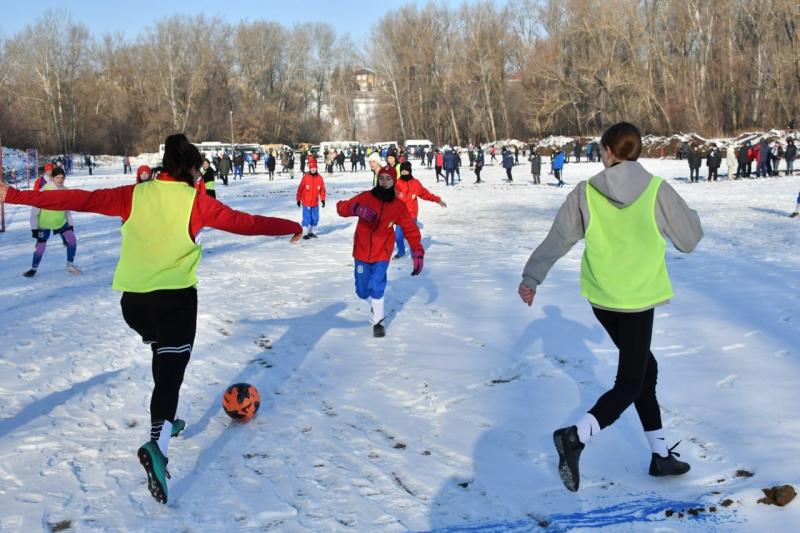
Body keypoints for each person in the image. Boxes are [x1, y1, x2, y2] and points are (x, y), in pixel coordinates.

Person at [0, 133, 302, 504]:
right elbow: (247, 223)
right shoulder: (197, 201)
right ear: (191, 169)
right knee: (171, 372)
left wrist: (13, 195)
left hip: (134, 305)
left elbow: (79, 199)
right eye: (198, 169)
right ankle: (157, 444)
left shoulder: (134, 193)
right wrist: (291, 226)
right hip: (174, 301)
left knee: (164, 358)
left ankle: (167, 420)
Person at [517, 122, 703, 492]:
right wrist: (687, 213)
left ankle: (660, 455)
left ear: (606, 151)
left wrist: (531, 277)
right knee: (631, 382)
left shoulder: (586, 192)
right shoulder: (656, 191)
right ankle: (575, 437)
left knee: (645, 370)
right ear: (636, 152)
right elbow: (690, 239)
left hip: (603, 301)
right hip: (636, 302)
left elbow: (558, 239)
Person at [336, 165, 424, 338]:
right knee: (361, 291)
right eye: (381, 178)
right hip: (361, 251)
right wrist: (356, 209)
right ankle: (375, 304)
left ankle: (378, 321)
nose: (384, 182)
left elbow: (410, 228)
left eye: (388, 179)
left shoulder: (398, 206)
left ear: (394, 181)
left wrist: (417, 250)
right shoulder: (366, 197)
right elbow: (341, 207)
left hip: (382, 252)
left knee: (377, 284)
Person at [23, 166, 80, 277]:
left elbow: (67, 210)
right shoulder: (44, 190)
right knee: (40, 248)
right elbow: (34, 210)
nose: (60, 180)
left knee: (72, 240)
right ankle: (33, 269)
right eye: (57, 177)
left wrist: (70, 224)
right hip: (44, 224)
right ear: (53, 178)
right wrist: (34, 228)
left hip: (60, 222)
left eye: (62, 178)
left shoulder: (66, 191)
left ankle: (70, 265)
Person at [394, 161, 446, 259]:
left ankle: (415, 253)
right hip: (400, 217)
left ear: (410, 171)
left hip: (411, 216)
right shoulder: (397, 183)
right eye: (402, 171)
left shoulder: (416, 183)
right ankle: (401, 251)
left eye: (406, 171)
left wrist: (437, 200)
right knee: (398, 237)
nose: (404, 173)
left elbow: (426, 194)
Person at [296, 156, 326, 239]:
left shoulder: (319, 178)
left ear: (316, 168)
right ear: (309, 168)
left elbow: (322, 190)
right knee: (307, 218)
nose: (313, 169)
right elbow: (300, 189)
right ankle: (305, 233)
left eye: (314, 168)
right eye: (312, 168)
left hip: (315, 203)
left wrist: (323, 199)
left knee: (315, 218)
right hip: (306, 202)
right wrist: (298, 199)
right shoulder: (306, 177)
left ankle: (311, 232)